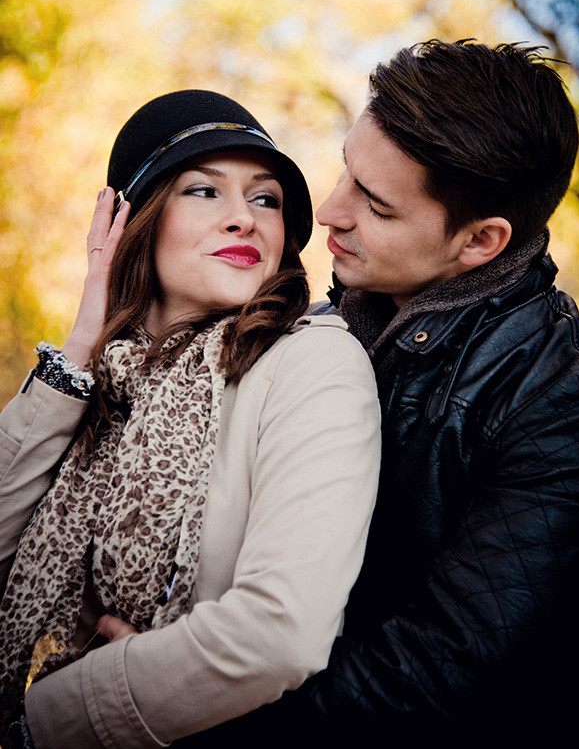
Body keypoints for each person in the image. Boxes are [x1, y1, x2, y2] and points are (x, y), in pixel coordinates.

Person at [215, 39, 579, 745]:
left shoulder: (564, 400)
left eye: (377, 206)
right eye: (345, 174)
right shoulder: (313, 326)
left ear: (479, 241)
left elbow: (435, 671)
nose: (328, 213)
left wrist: (192, 711)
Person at [0, 90, 381, 748]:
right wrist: (78, 349)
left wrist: (48, 722)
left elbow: (279, 632)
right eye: (204, 192)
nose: (244, 219)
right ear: (137, 224)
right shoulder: (98, 385)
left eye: (265, 199)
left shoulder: (310, 362)